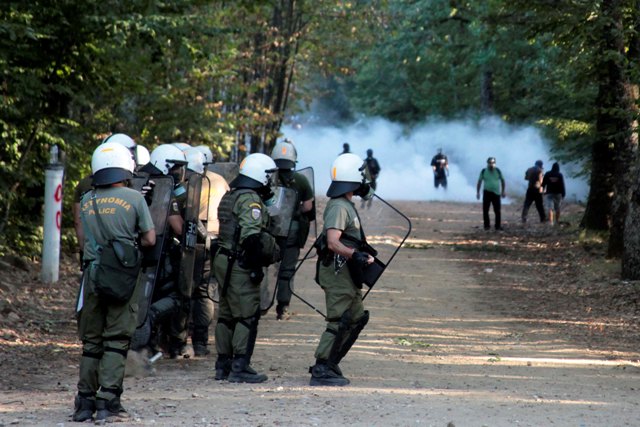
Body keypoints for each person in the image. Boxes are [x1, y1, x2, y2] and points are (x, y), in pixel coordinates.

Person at [73, 142, 156, 423]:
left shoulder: (86, 199)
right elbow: (149, 239)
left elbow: (83, 240)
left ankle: (84, 403)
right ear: (125, 167)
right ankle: (108, 402)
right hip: (122, 277)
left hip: (93, 276)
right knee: (116, 341)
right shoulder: (134, 198)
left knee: (92, 342)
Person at [213, 153, 281, 383]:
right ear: (260, 176)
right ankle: (240, 367)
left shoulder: (231, 195)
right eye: (269, 176)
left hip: (224, 259)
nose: (271, 181)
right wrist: (255, 265)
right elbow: (251, 237)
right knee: (246, 315)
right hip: (240, 261)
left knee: (226, 314)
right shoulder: (250, 200)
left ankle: (223, 365)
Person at [309, 153, 375, 386]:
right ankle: (321, 368)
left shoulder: (345, 204)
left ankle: (332, 361)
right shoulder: (338, 206)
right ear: (353, 178)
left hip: (346, 272)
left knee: (357, 316)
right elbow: (333, 242)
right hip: (337, 273)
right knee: (338, 319)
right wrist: (354, 255)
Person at [270, 139, 314, 320]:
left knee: (262, 267)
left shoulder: (268, 177)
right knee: (287, 270)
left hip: (270, 229)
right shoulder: (301, 180)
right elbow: (308, 207)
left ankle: (258, 304)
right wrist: (295, 211)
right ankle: (283, 307)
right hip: (292, 230)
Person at [476, 157, 506, 231]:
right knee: (485, 210)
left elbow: (502, 180)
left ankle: (498, 226)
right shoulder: (484, 171)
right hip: (487, 192)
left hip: (496, 193)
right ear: (487, 163)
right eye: (490, 163)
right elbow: (479, 182)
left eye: (493, 163)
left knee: (497, 211)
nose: (491, 164)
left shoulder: (498, 171)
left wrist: (503, 191)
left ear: (495, 163)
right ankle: (486, 226)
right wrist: (478, 192)